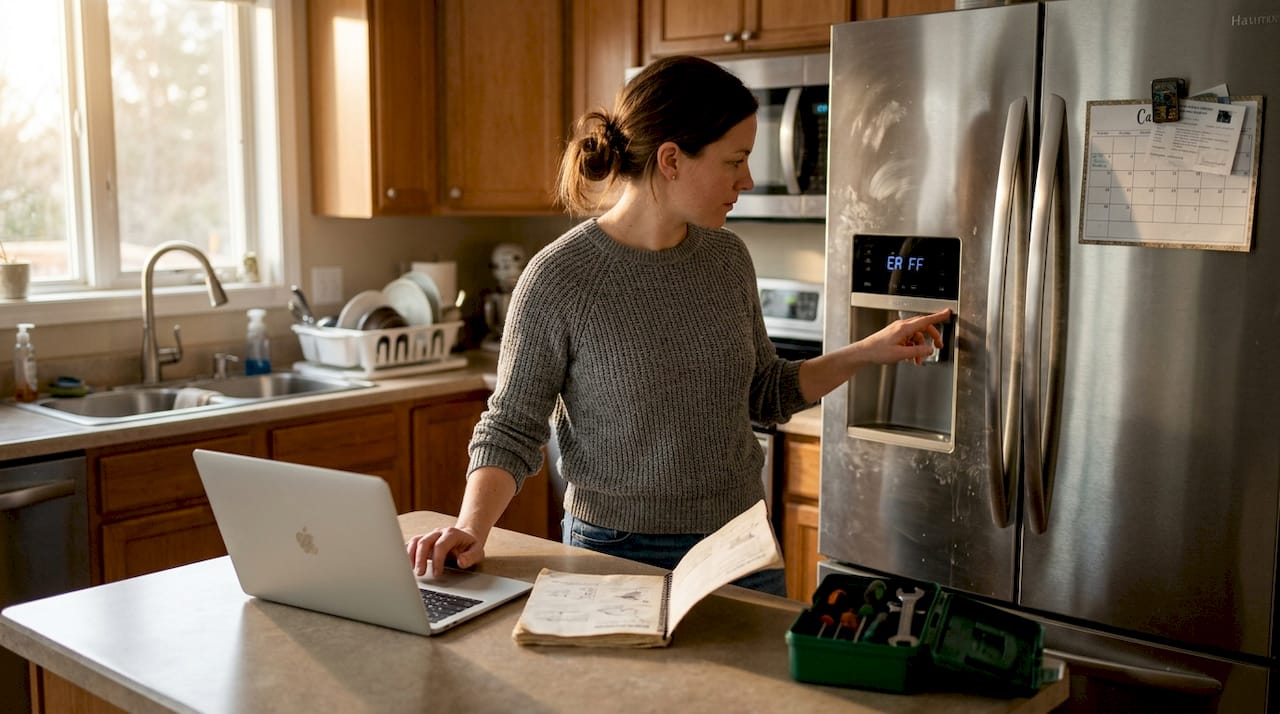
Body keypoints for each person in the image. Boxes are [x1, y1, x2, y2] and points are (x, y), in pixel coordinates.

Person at [407, 55, 950, 597]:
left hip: (740, 544)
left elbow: (765, 391)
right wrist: (470, 528)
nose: (748, 179)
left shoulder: (727, 258)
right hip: (615, 551)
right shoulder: (560, 277)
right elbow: (511, 425)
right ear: (671, 159)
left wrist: (868, 351)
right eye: (734, 160)